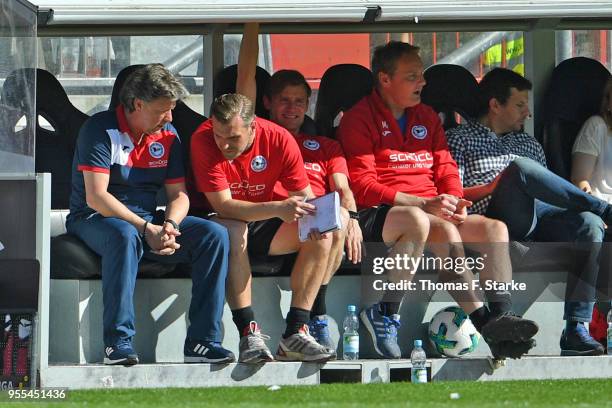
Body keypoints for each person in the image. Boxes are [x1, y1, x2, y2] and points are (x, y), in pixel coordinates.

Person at [337, 41, 538, 360]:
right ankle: (386, 312)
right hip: (381, 215)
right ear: (385, 80)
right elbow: (362, 186)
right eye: (413, 76)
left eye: (422, 75)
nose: (423, 82)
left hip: (431, 211)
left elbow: (445, 167)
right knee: (433, 226)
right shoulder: (358, 119)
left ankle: (500, 318)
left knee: (494, 229)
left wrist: (455, 199)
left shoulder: (427, 116)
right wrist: (422, 204)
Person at [66, 63, 234, 366]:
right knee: (124, 233)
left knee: (215, 234)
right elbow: (97, 196)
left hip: (146, 221)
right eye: (162, 110)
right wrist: (146, 228)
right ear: (138, 104)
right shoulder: (99, 129)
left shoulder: (168, 135)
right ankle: (117, 342)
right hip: (93, 219)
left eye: (171, 110)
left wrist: (169, 225)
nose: (169, 118)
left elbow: (178, 194)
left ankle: (203, 341)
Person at [446, 67, 612, 356]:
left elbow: (551, 191)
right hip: (495, 218)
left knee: (589, 223)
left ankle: (576, 329)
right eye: (520, 105)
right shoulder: (459, 138)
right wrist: (496, 185)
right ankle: (605, 208)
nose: (528, 113)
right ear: (495, 105)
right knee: (521, 169)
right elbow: (455, 197)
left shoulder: (528, 142)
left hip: (539, 215)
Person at [234, 22, 362, 353]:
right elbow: (244, 80)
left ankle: (298, 329)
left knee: (336, 223)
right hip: (267, 222)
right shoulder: (254, 133)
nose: (292, 109)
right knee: (327, 225)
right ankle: (313, 317)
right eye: (284, 101)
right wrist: (252, 21)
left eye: (300, 101)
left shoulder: (325, 146)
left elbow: (344, 191)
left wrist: (354, 219)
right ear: (267, 103)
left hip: (311, 225)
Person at [189, 93, 336, 363]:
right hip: (218, 222)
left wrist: (319, 218)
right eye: (219, 135)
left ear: (253, 127)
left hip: (266, 220)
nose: (224, 144)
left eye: (233, 138)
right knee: (233, 230)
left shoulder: (279, 139)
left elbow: (305, 196)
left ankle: (295, 333)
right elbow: (224, 206)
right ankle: (248, 333)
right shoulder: (203, 138)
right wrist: (278, 208)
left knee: (322, 234)